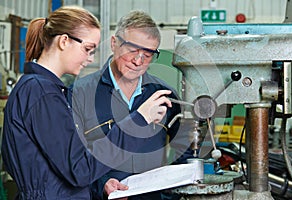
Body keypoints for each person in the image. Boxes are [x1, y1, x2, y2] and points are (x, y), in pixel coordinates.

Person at [1, 6, 173, 199]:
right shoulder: (42, 93)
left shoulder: (42, 89)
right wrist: (139, 120)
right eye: (88, 49)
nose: (90, 59)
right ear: (64, 41)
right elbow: (80, 169)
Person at [71, 10, 193, 200]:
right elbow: (71, 159)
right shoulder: (80, 94)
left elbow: (185, 148)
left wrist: (172, 195)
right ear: (114, 43)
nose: (138, 61)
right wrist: (101, 185)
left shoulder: (164, 96)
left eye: (148, 54)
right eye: (132, 50)